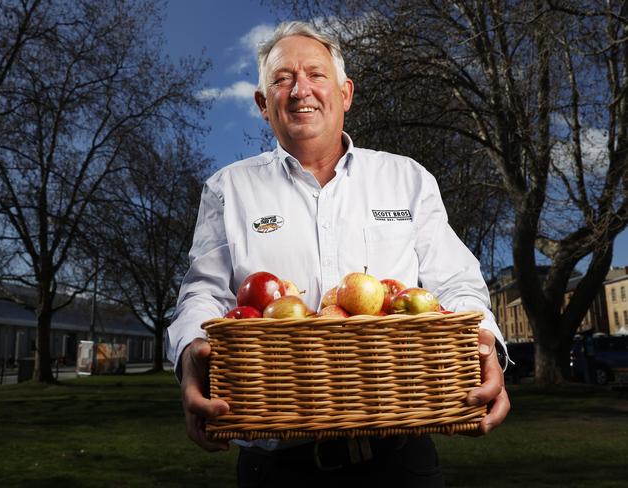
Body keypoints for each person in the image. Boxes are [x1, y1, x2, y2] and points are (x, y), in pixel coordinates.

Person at [167, 20, 511, 487]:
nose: (300, 90)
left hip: (400, 460)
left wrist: (485, 343)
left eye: (316, 74)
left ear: (346, 93)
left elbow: (457, 283)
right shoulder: (230, 189)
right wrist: (191, 357)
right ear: (263, 104)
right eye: (282, 78)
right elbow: (202, 296)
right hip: (276, 466)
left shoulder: (406, 179)